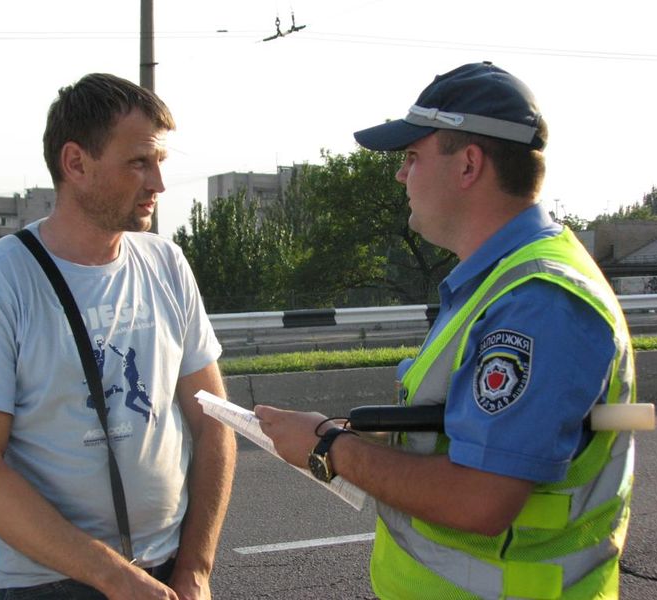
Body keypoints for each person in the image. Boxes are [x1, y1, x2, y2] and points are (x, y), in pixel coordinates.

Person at [255, 62, 635, 599]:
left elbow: (482, 498)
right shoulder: (501, 284)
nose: (400, 174)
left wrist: (329, 448)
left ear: (468, 165)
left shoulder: (538, 301)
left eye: (412, 157)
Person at [0, 73, 236, 600]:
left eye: (161, 162)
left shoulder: (165, 263)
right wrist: (116, 578)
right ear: (75, 163)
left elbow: (214, 424)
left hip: (170, 572)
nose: (159, 184)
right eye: (139, 162)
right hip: (52, 583)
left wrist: (196, 568)